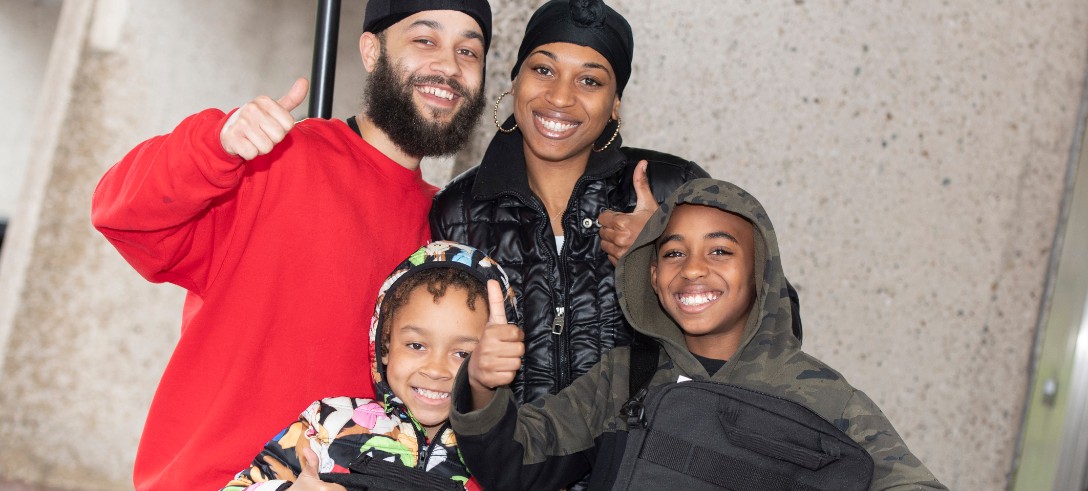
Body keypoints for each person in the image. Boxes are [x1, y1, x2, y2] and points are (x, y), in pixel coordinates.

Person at [89, 2, 493, 488]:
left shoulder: (448, 230)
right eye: (425, 40)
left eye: (468, 51)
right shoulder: (275, 160)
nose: (449, 65)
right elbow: (120, 214)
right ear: (371, 51)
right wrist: (216, 143)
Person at [450, 178, 947, 490]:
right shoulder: (625, 378)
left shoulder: (825, 398)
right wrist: (479, 383)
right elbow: (517, 463)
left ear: (762, 274)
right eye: (673, 252)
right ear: (651, 275)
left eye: (720, 252)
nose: (692, 270)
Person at [430, 0, 711, 406]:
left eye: (590, 81)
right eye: (543, 70)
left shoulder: (674, 188)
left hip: (649, 464)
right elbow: (431, 367)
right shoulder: (457, 212)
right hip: (513, 464)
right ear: (515, 80)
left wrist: (664, 259)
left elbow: (773, 323)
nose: (560, 97)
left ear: (615, 104)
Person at [221, 241, 517, 491]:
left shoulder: (509, 454)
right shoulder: (329, 423)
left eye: (463, 354)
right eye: (416, 345)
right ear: (385, 345)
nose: (436, 369)